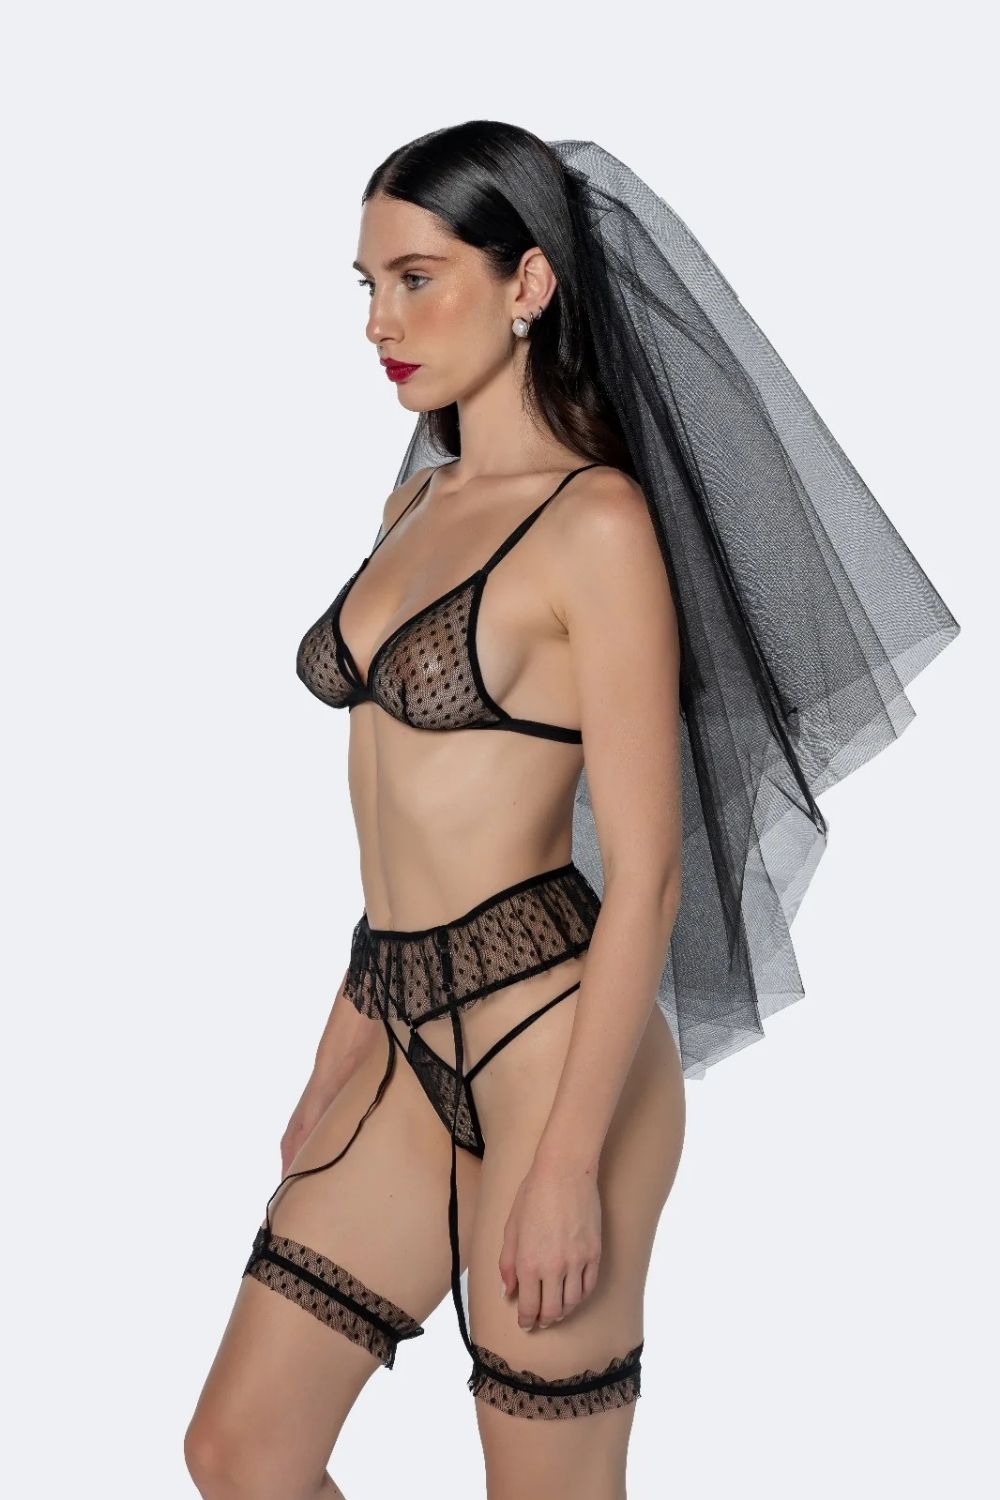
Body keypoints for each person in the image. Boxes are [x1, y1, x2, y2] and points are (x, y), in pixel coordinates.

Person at [184, 122, 959, 1500]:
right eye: (367, 284)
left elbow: (647, 876)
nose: (380, 323)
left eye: (418, 279)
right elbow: (401, 828)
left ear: (528, 283)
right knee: (241, 1455)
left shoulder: (596, 526)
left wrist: (566, 1163)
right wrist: (330, 1057)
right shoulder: (413, 502)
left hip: (556, 1049)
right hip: (396, 1024)